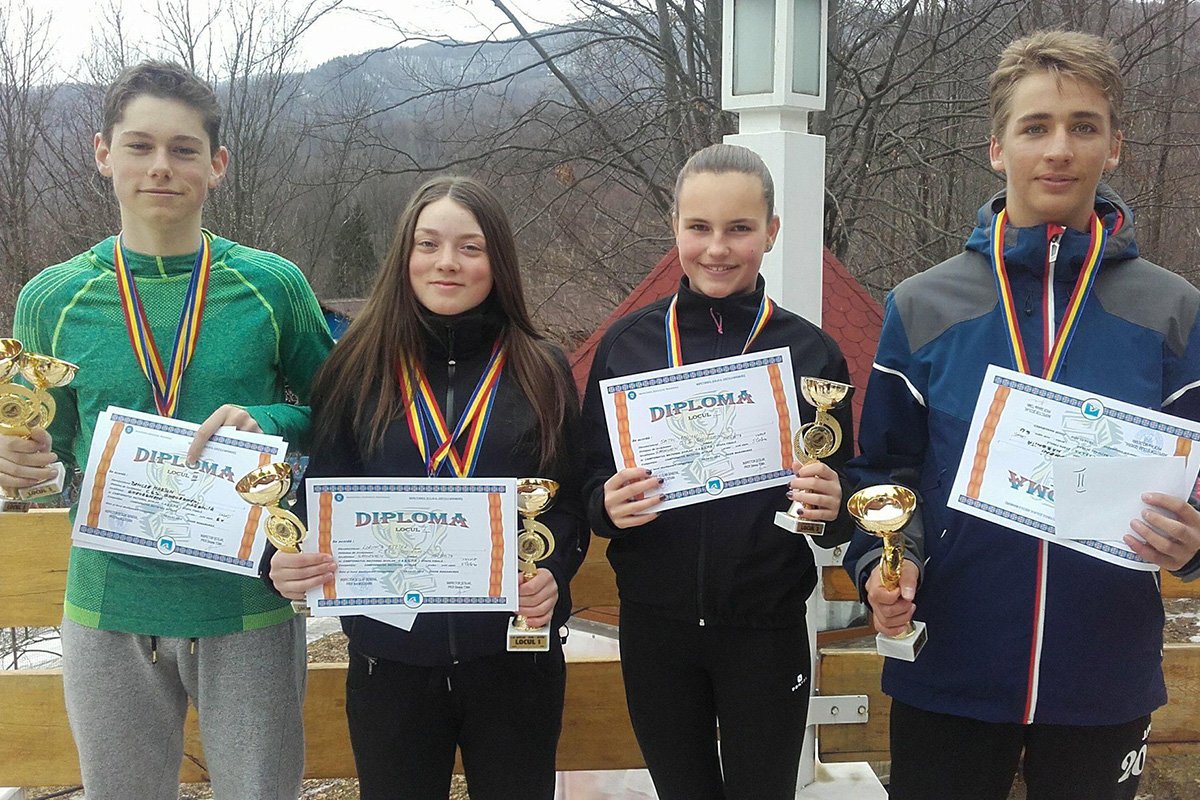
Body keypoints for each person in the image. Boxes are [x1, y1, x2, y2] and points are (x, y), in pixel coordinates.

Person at [845, 31, 1200, 800]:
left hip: (1102, 674)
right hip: (951, 662)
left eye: (1083, 126)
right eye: (1035, 127)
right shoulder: (924, 305)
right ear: (997, 148)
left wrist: (1195, 538)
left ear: (1114, 147)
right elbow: (882, 471)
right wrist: (884, 564)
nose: (1059, 149)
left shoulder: (1173, 310)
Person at [2, 61, 334, 799]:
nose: (161, 166)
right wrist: (21, 463)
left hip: (247, 600)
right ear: (103, 154)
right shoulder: (52, 298)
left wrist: (266, 421)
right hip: (110, 606)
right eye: (140, 145)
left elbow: (344, 414)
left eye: (184, 149)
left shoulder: (271, 285)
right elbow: (50, 451)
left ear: (217, 165)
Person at [265, 176, 586, 800]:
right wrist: (280, 560)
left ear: (498, 260)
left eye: (470, 247)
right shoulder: (354, 367)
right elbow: (320, 494)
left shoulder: (541, 368)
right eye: (429, 244)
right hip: (390, 662)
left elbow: (567, 503)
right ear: (403, 256)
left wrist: (553, 572)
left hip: (513, 659)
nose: (447, 262)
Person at [580, 143, 854, 800]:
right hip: (656, 628)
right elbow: (587, 475)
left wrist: (833, 503)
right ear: (674, 227)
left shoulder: (812, 352)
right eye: (699, 227)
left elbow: (842, 498)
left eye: (740, 228)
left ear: (771, 231)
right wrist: (604, 505)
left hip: (766, 629)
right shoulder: (628, 345)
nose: (718, 248)